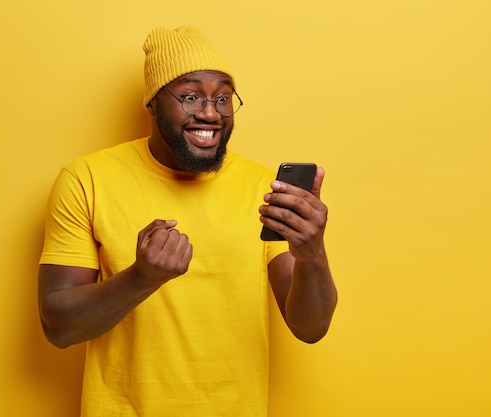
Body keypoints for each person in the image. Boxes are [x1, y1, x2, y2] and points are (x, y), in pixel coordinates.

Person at [38, 25, 337, 417]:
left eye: (224, 97)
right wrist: (141, 277)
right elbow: (58, 327)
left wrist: (312, 253)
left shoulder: (266, 190)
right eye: (191, 96)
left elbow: (309, 328)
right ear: (152, 102)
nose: (211, 113)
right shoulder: (87, 180)